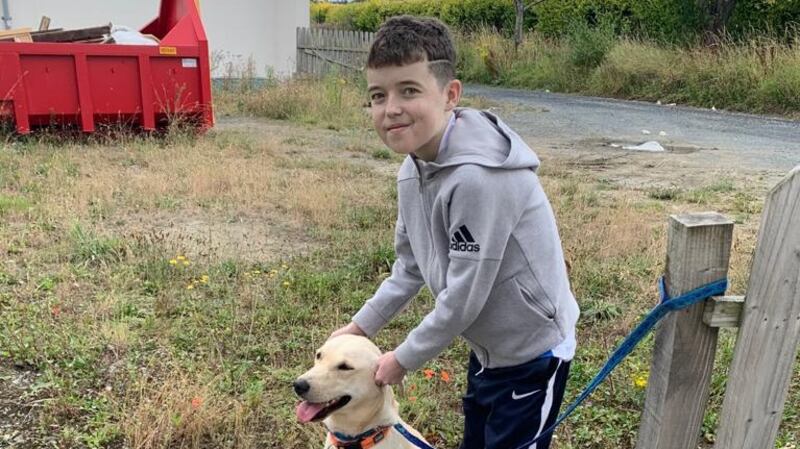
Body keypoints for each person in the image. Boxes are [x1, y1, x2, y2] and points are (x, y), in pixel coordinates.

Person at [330, 15, 580, 449]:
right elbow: (407, 269)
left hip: (532, 351)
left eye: (409, 90)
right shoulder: (413, 171)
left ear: (450, 94)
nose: (391, 108)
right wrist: (358, 327)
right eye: (377, 95)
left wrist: (400, 360)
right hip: (488, 348)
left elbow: (464, 297)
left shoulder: (480, 179)